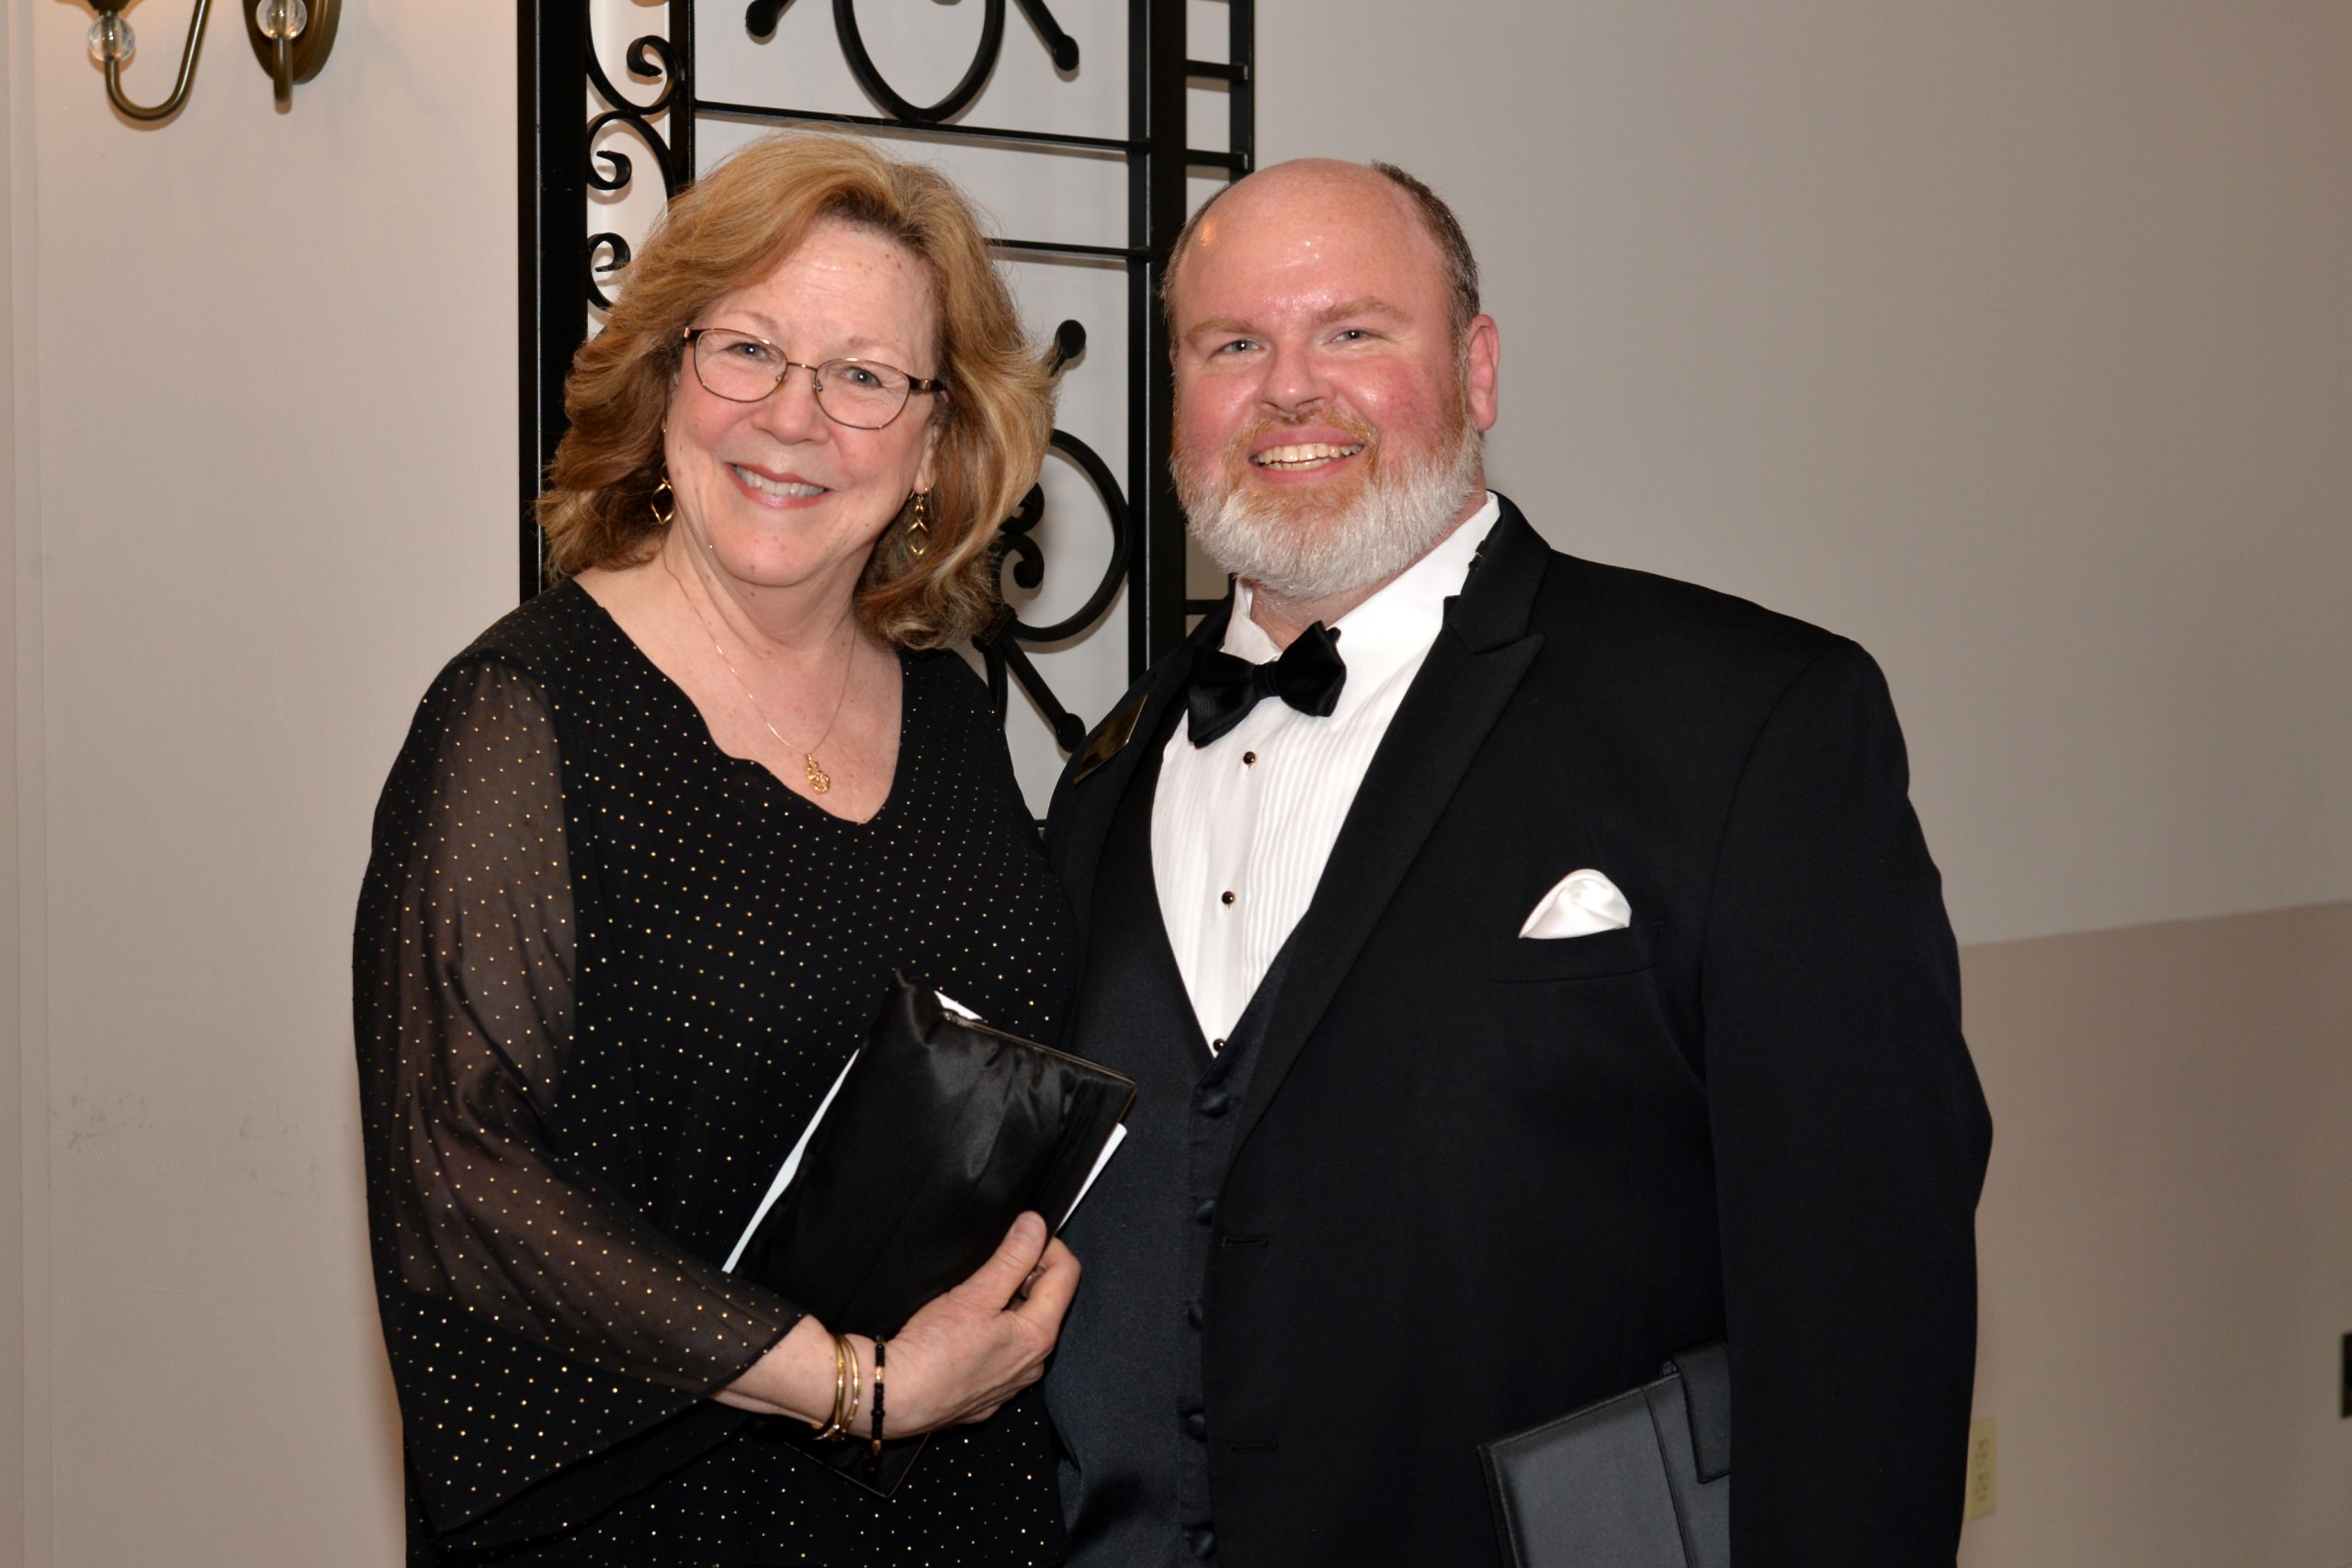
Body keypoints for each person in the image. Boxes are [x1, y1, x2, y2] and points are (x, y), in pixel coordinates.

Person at [1041, 158, 1993, 1566]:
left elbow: (1867, 1299)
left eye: (1353, 332)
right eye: (1232, 345)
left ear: (1477, 369)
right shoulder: (1098, 784)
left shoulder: (1747, 721)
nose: (1290, 389)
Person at [354, 133, 1081, 1566]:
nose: (792, 418)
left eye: (863, 377)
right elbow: (461, 1179)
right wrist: (854, 1387)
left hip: (956, 1495)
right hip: (655, 1514)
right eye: (747, 349)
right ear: (667, 376)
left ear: (937, 445)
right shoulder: (522, 713)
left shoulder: (953, 716)